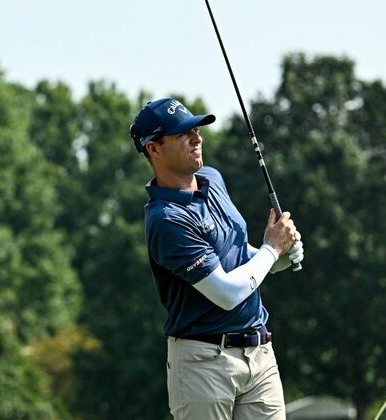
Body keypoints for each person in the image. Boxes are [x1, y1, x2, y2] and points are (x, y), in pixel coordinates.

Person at [129, 98, 304, 420]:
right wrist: (271, 250)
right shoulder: (166, 219)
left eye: (196, 130)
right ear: (154, 149)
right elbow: (226, 293)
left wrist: (279, 256)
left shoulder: (213, 179)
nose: (197, 139)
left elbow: (238, 259)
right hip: (203, 362)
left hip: (260, 353)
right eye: (183, 134)